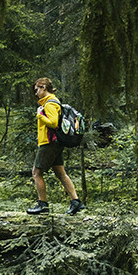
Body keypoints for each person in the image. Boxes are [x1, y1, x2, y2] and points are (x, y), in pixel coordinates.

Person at [27, 77, 83, 215]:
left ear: (43, 87)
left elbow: (53, 123)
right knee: (60, 173)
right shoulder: (50, 102)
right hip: (54, 143)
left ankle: (43, 205)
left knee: (36, 172)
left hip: (49, 143)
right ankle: (76, 202)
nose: (36, 93)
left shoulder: (50, 104)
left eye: (37, 89)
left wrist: (40, 115)